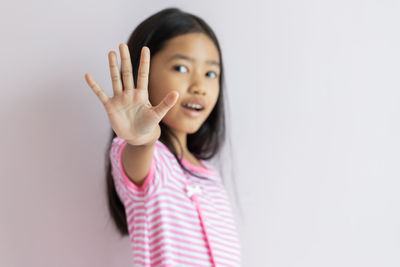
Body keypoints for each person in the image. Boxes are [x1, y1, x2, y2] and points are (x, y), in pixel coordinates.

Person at [84, 7, 241, 266]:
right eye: (181, 68)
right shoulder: (152, 159)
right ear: (142, 74)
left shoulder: (209, 173)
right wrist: (142, 140)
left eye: (210, 73)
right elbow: (138, 159)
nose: (199, 86)